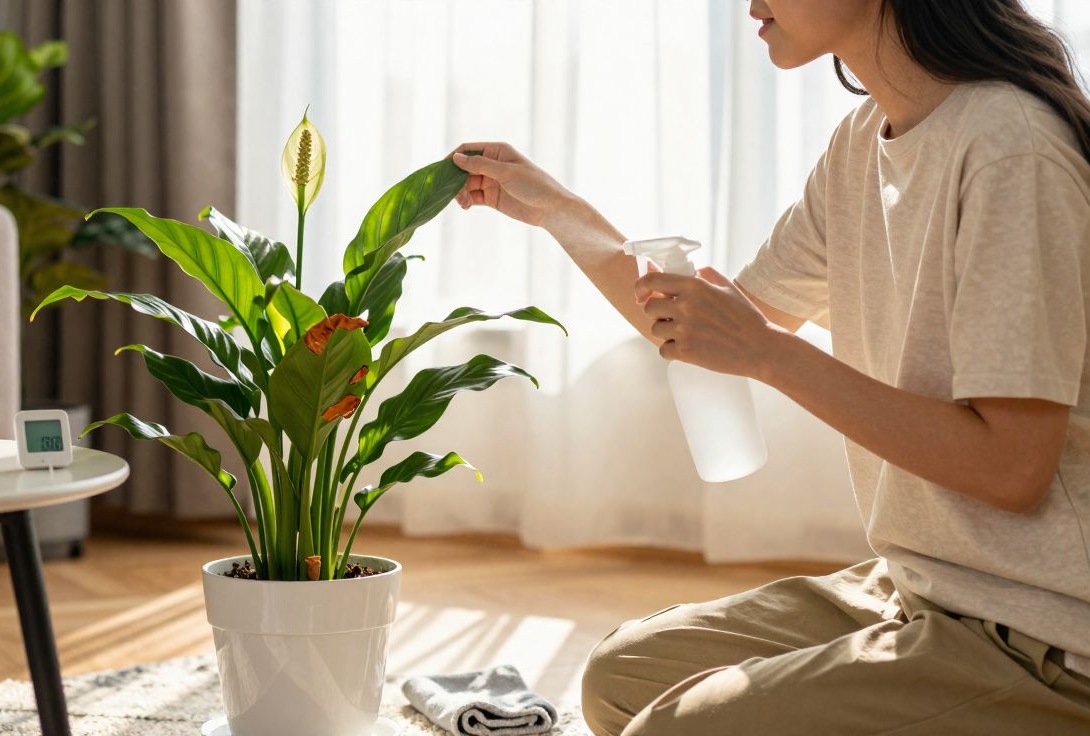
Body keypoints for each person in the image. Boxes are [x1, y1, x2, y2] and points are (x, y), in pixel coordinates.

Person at [449, 0, 1090, 733]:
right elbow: (705, 325)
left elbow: (1013, 467)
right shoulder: (860, 144)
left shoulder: (1010, 148)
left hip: (1046, 639)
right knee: (620, 678)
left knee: (674, 727)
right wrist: (554, 208)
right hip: (922, 592)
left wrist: (768, 355)